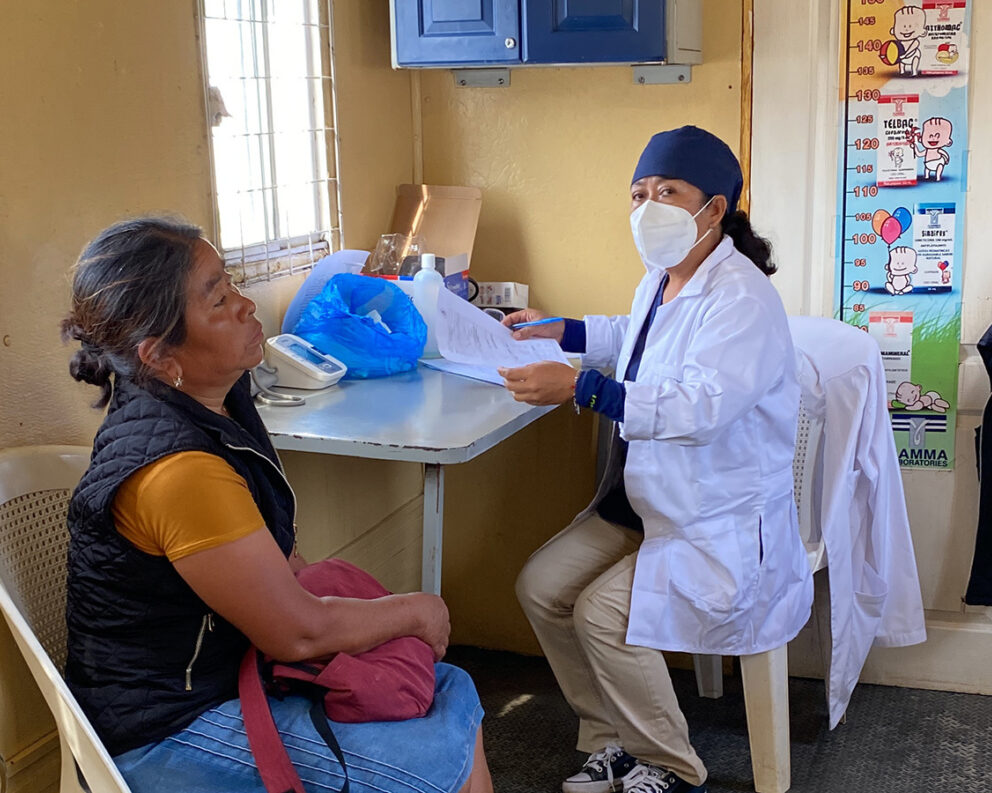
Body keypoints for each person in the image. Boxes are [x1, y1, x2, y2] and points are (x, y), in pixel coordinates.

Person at [61, 217, 494, 793]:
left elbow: (280, 575)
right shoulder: (179, 472)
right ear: (161, 357)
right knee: (437, 753)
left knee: (449, 691)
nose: (244, 304)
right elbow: (298, 636)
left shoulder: (213, 405)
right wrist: (418, 610)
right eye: (218, 298)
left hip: (225, 670)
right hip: (164, 728)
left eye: (232, 282)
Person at [499, 126, 814, 793]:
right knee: (542, 585)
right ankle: (610, 738)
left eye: (667, 191)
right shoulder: (664, 278)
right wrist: (565, 331)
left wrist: (583, 386)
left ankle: (672, 765)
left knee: (600, 613)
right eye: (639, 192)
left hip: (718, 519)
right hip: (652, 500)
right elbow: (633, 335)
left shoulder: (742, 298)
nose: (648, 207)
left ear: (715, 207)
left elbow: (697, 404)